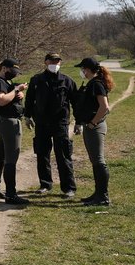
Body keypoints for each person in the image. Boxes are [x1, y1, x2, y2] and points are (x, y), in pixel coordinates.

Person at [24, 52, 77, 197]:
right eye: (52, 61)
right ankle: (45, 184)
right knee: (42, 154)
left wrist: (79, 122)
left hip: (60, 123)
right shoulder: (36, 80)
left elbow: (76, 102)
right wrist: (27, 116)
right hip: (41, 123)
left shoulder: (67, 81)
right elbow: (29, 99)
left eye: (58, 61)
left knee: (63, 155)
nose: (55, 64)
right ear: (46, 62)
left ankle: (69, 188)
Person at [0, 58, 30, 205]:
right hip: (8, 123)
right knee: (11, 159)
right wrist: (17, 90)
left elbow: (9, 96)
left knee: (1, 156)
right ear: (4, 68)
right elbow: (1, 100)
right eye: (13, 71)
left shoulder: (4, 82)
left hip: (3, 121)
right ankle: (11, 194)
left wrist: (18, 94)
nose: (15, 75)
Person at [73, 57, 114, 206]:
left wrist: (92, 123)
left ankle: (103, 196)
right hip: (91, 126)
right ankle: (98, 194)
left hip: (95, 127)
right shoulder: (92, 83)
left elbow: (105, 107)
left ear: (88, 69)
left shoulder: (96, 84)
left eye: (82, 69)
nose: (81, 71)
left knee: (98, 161)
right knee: (95, 161)